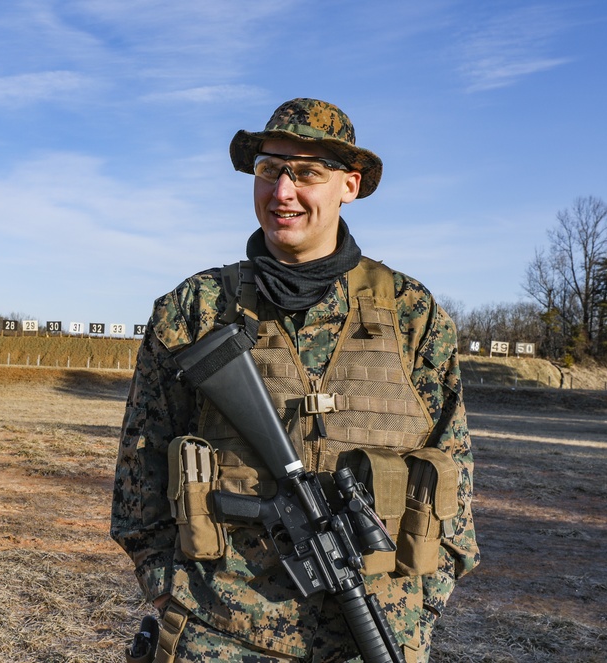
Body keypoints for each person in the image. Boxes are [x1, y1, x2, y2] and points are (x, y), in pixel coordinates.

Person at [111, 98, 479, 663]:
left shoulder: (412, 314)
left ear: (348, 185)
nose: (283, 192)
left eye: (307, 172)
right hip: (219, 629)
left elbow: (453, 471)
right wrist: (170, 590)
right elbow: (142, 465)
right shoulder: (196, 309)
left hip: (376, 629)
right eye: (269, 170)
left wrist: (420, 609)